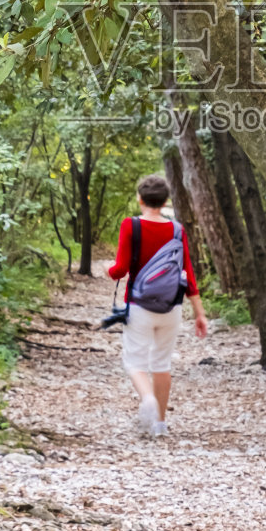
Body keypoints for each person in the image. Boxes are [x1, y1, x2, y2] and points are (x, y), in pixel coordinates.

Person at [108, 173, 208, 436]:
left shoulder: (131, 225)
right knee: (162, 365)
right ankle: (160, 424)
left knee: (135, 363)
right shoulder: (176, 229)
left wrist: (111, 272)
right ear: (165, 201)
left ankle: (148, 400)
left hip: (140, 306)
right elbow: (187, 272)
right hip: (171, 307)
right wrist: (199, 313)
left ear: (140, 199)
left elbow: (120, 268)